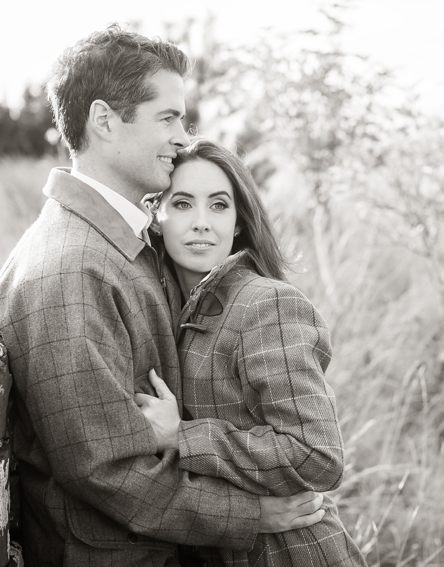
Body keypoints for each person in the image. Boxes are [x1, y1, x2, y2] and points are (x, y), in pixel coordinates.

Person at [0, 25, 325, 567]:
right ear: (104, 120)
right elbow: (106, 467)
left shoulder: (123, 241)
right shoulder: (70, 268)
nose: (181, 135)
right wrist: (249, 516)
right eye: (167, 117)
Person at [136, 139, 367, 567]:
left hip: (292, 553)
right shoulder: (170, 310)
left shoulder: (266, 304)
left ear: (239, 222)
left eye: (219, 205)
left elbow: (318, 455)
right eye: (183, 204)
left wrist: (181, 436)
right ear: (156, 216)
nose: (202, 223)